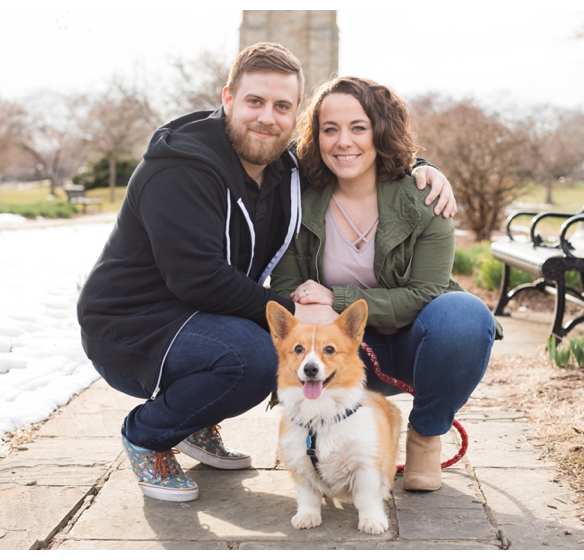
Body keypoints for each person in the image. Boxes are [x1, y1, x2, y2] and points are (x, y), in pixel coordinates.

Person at [76, 43, 456, 502]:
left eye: (282, 107)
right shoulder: (181, 168)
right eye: (255, 101)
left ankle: (191, 425)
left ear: (296, 117)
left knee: (259, 352)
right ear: (228, 98)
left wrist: (423, 168)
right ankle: (148, 436)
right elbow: (197, 277)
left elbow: (353, 147)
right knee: (256, 359)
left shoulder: (282, 164)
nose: (266, 117)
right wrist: (294, 315)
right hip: (131, 325)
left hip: (199, 317)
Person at [270, 76, 501, 492]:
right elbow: (289, 289)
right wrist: (313, 309)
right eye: (330, 129)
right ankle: (321, 437)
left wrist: (335, 298)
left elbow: (427, 294)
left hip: (416, 345)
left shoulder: (425, 198)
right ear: (316, 137)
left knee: (465, 315)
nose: (344, 142)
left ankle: (426, 436)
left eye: (359, 127)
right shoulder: (297, 198)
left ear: (380, 131)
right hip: (340, 354)